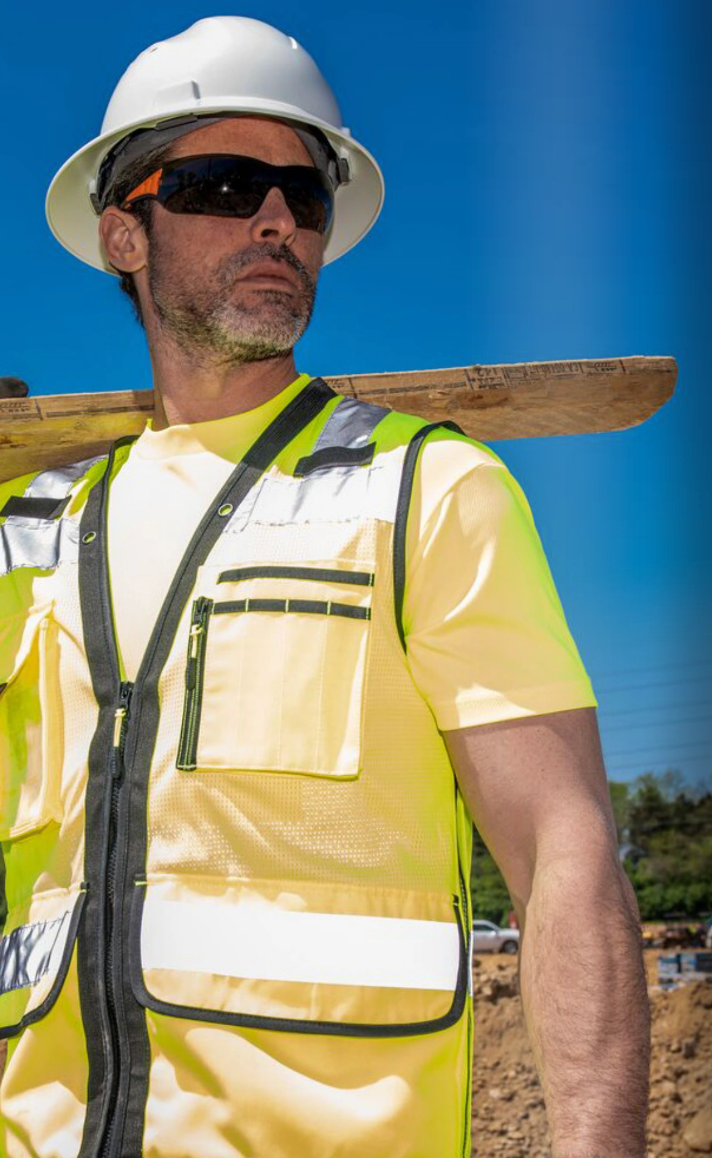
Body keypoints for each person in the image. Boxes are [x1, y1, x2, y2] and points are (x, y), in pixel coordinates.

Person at [0, 16, 649, 1158]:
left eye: (305, 198)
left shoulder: (427, 492)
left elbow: (563, 849)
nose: (274, 221)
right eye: (222, 183)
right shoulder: (34, 530)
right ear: (122, 234)